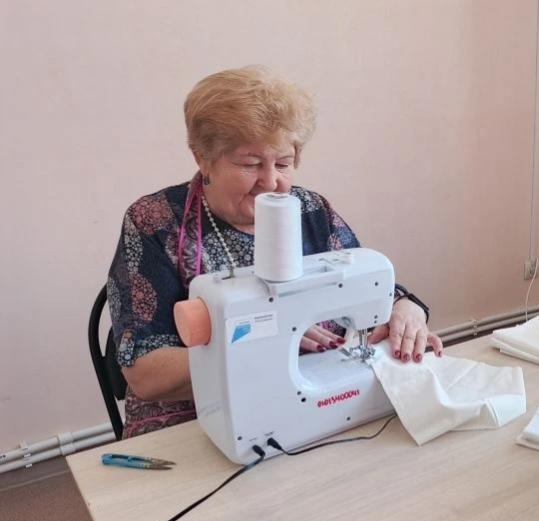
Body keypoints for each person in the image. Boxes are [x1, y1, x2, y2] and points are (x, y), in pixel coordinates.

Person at [108, 67, 443, 437]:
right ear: (202, 158)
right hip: (195, 420)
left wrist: (405, 307)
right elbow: (145, 374)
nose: (270, 182)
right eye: (249, 164)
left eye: (283, 164)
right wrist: (271, 343)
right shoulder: (155, 222)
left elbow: (368, 283)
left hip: (308, 396)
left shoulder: (311, 211)